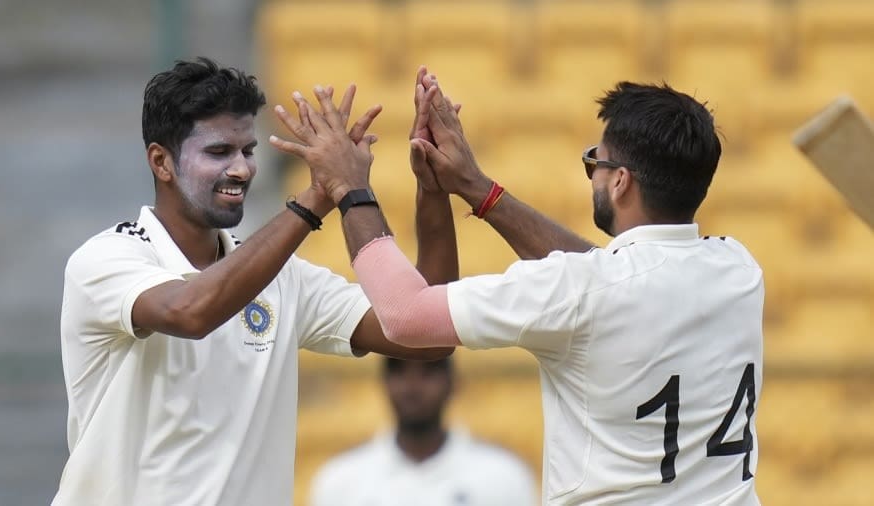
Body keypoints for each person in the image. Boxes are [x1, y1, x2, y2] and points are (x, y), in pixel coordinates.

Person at [270, 78, 764, 505]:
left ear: (619, 182)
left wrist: (350, 189)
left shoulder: (580, 291)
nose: (593, 171)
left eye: (597, 161)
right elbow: (609, 273)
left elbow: (403, 315)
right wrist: (476, 188)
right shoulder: (739, 269)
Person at [53, 58, 456, 506]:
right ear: (161, 162)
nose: (242, 170)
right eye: (219, 152)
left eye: (247, 151)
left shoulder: (283, 277)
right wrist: (317, 199)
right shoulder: (105, 259)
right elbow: (189, 312)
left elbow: (426, 334)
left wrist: (432, 189)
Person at [309, 357, 537, 506]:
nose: (412, 385)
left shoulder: (503, 477)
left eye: (429, 370)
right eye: (398, 370)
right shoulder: (340, 481)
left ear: (453, 383)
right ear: (384, 382)